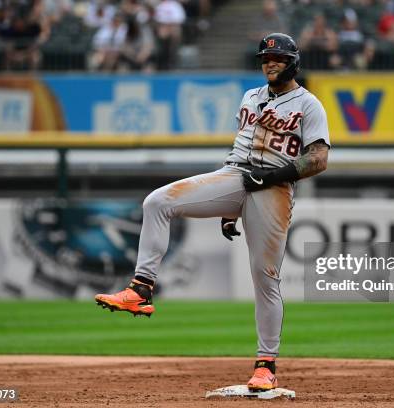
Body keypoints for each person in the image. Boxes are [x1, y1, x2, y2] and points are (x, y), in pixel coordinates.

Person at [95, 32, 330, 392]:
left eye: (278, 59)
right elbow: (240, 150)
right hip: (235, 175)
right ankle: (141, 289)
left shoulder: (308, 104)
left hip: (274, 187)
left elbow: (318, 160)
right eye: (266, 59)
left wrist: (269, 176)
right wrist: (229, 206)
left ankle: (266, 365)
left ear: (293, 62)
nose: (270, 63)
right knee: (157, 201)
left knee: (264, 276)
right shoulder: (250, 96)